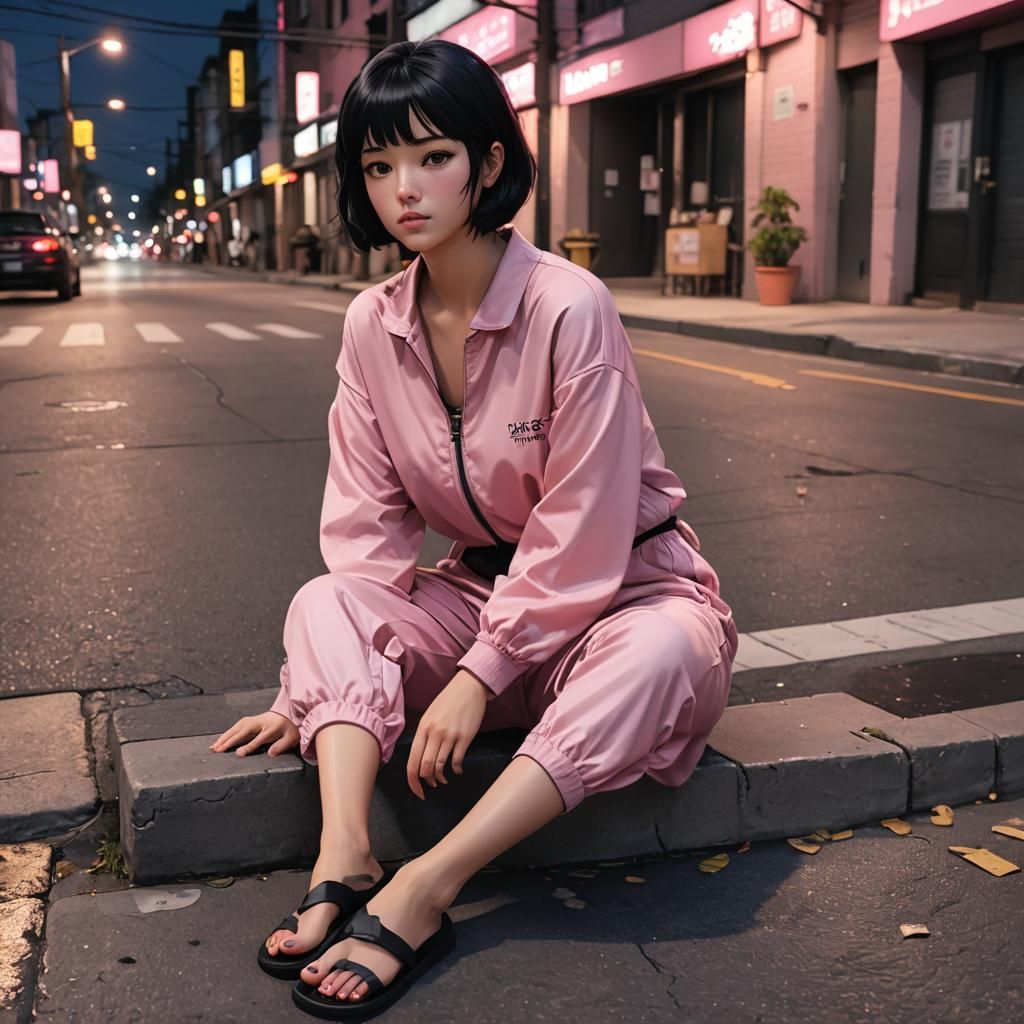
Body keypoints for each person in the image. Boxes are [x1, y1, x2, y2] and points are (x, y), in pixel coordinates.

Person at [210, 38, 738, 1020]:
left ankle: (426, 886)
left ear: (488, 162)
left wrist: (478, 674)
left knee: (662, 652)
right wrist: (317, 690)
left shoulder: (567, 307)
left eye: (432, 157)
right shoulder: (373, 323)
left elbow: (582, 530)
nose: (403, 189)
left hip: (628, 590)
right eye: (377, 166)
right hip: (478, 593)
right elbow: (364, 537)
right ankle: (348, 853)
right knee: (323, 598)